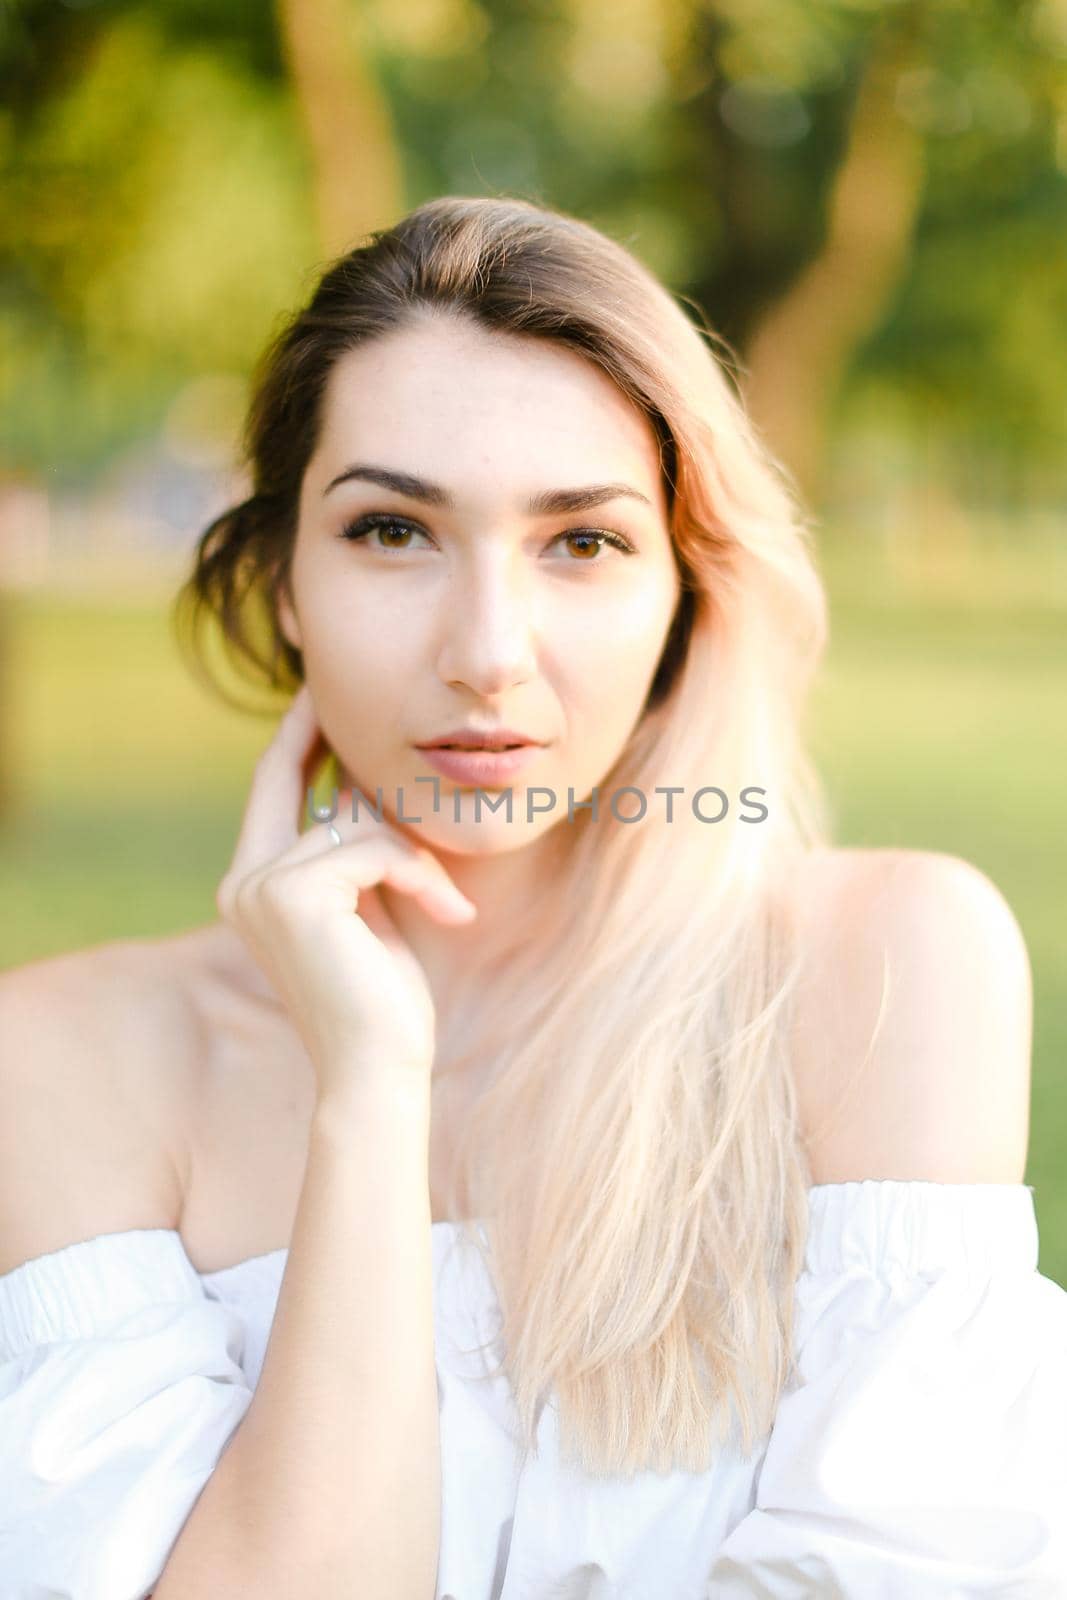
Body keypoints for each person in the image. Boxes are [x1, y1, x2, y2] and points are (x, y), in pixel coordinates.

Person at [0, 194, 1064, 1600]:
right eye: (393, 532)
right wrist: (368, 1086)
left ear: (687, 587)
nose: (489, 653)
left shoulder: (883, 970)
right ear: (283, 581)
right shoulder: (59, 1064)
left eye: (584, 542)